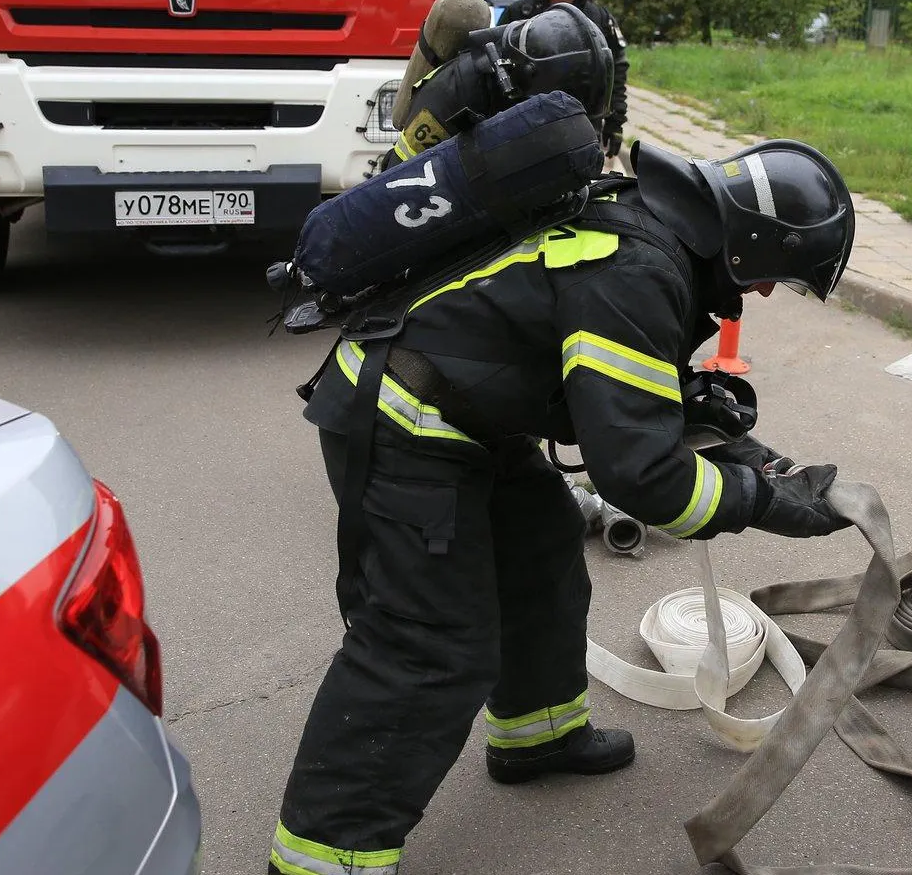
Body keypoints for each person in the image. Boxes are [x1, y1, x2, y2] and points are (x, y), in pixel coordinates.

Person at [268, 136, 858, 875]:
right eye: (779, 275)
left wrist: (733, 440)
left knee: (543, 549)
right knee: (426, 645)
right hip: (406, 417)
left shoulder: (649, 230)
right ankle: (324, 859)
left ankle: (536, 736)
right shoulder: (640, 268)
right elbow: (648, 481)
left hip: (464, 410)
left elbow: (621, 394)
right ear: (751, 242)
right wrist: (765, 498)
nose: (769, 294)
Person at [499, 0, 630, 173]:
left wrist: (615, 122)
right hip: (527, 124)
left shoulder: (599, 18)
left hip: (585, 123)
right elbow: (497, 66)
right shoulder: (520, 14)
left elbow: (617, 68)